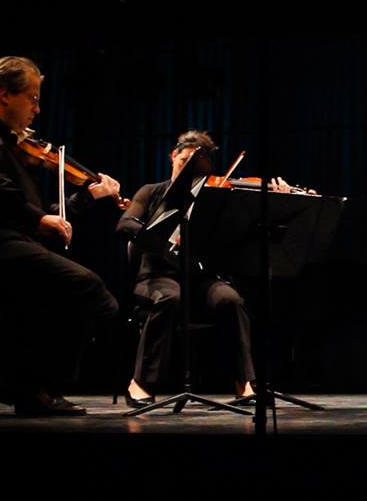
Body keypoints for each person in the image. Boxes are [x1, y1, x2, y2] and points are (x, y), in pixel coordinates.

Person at [0, 56, 122, 416]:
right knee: (84, 286)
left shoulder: (11, 143)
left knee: (82, 295)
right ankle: (31, 386)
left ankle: (29, 384)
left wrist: (87, 196)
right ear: (5, 94)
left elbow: (36, 210)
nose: (37, 109)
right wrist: (38, 219)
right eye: (32, 98)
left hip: (9, 244)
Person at [116, 130, 302, 407]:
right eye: (183, 161)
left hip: (199, 277)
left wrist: (281, 197)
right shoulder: (151, 191)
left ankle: (244, 384)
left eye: (195, 166)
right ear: (173, 157)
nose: (187, 170)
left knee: (231, 300)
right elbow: (125, 225)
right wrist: (158, 236)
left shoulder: (213, 199)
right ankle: (140, 383)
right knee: (170, 298)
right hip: (157, 275)